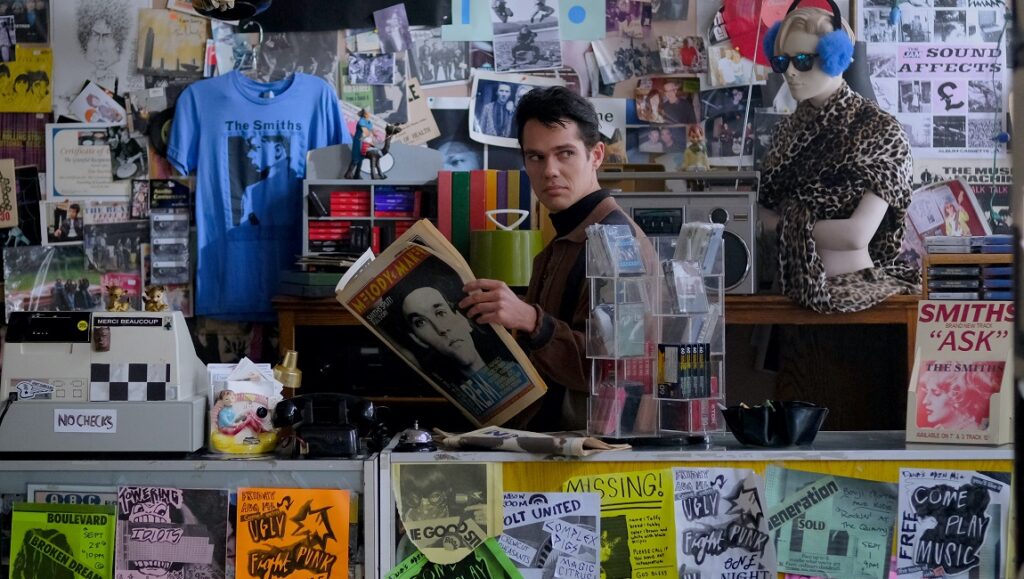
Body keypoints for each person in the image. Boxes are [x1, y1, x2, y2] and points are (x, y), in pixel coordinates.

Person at [459, 86, 653, 431]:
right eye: (535, 157)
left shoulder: (616, 242)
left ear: (596, 156)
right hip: (555, 439)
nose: (549, 170)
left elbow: (613, 370)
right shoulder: (566, 239)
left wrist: (533, 321)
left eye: (565, 153)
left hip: (597, 451)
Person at [759, 5, 918, 314]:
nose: (790, 71)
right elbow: (758, 215)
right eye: (782, 61)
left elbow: (855, 235)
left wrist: (783, 223)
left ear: (836, 57)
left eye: (803, 60)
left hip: (856, 294)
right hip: (786, 297)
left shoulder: (880, 130)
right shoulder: (784, 133)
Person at [239, 134, 296, 226]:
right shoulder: (250, 191)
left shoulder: (301, 187)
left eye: (256, 147)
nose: (249, 154)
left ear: (277, 150)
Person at [918, 370, 997, 430]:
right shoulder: (934, 431)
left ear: (958, 395)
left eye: (936, 393)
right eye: (926, 392)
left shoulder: (973, 431)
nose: (925, 401)